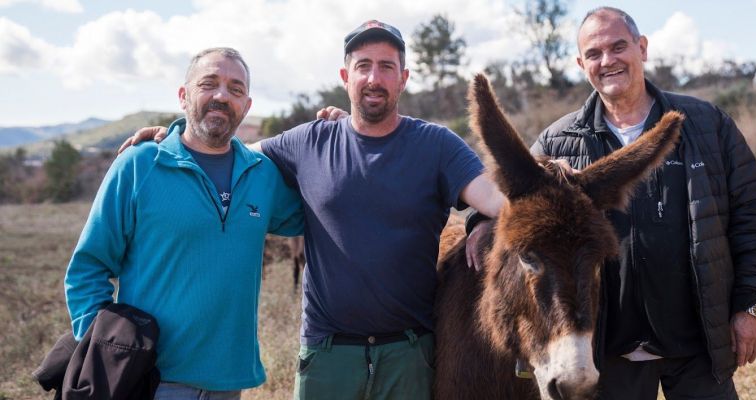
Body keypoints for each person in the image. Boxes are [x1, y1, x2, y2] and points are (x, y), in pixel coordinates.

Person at [123, 20, 506, 400]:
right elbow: (226, 157)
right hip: (327, 356)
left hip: (407, 354)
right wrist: (175, 135)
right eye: (363, 66)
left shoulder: (437, 146)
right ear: (345, 75)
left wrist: (483, 219)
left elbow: (498, 199)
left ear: (403, 78)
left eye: (387, 67)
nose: (374, 77)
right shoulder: (307, 142)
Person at [467, 7, 756, 400]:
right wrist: (482, 219)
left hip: (697, 340)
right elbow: (518, 201)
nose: (607, 61)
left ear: (641, 48)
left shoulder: (706, 125)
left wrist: (751, 307)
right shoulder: (558, 141)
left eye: (618, 47)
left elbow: (753, 215)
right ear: (581, 64)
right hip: (611, 348)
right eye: (594, 54)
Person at [65, 47, 304, 399]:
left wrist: (346, 135)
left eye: (235, 89)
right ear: (183, 95)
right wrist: (106, 355)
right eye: (209, 84)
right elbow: (87, 269)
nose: (222, 96)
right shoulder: (140, 164)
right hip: (149, 379)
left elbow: (324, 210)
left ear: (247, 106)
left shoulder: (262, 175)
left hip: (228, 381)